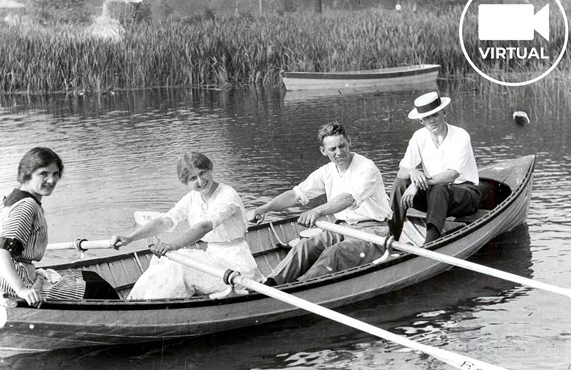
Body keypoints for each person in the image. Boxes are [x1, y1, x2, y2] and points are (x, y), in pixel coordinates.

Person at [248, 122, 391, 286]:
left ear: (349, 142)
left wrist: (317, 211)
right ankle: (270, 285)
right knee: (304, 246)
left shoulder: (366, 168)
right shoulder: (327, 171)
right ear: (323, 151)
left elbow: (348, 198)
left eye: (342, 146)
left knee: (334, 254)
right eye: (333, 149)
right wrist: (264, 208)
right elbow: (295, 194)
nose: (339, 152)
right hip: (341, 227)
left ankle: (301, 288)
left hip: (373, 231)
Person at [111, 152, 262, 299]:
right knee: (162, 261)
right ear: (185, 183)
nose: (200, 181)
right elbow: (164, 221)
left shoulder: (228, 195)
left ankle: (149, 307)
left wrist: (172, 245)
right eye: (192, 178)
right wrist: (129, 238)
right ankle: (136, 302)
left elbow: (204, 227)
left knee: (179, 264)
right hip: (213, 258)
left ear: (210, 170)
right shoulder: (191, 198)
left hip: (236, 267)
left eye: (202, 173)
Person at [0, 147, 119, 307]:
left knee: (89, 276)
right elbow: (3, 250)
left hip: (20, 275)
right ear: (27, 174)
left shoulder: (13, 198)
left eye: (55, 174)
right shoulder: (26, 206)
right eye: (44, 174)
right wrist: (22, 290)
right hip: (19, 284)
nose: (51, 180)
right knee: (98, 288)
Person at [387, 91, 481, 245]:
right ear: (421, 120)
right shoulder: (419, 137)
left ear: (444, 112)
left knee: (439, 188)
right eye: (426, 117)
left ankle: (430, 244)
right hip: (435, 196)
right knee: (400, 184)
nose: (431, 121)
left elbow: (452, 175)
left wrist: (417, 184)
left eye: (435, 115)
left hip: (465, 194)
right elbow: (401, 171)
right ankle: (392, 238)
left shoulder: (460, 135)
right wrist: (412, 171)